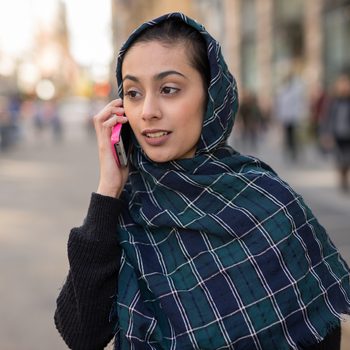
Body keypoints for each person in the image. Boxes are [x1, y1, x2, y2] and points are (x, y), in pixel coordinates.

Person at [54, 13, 350, 350]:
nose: (147, 111)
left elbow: (321, 332)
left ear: (211, 95)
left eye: (169, 89)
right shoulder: (126, 210)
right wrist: (108, 188)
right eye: (133, 93)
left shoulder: (268, 201)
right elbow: (82, 333)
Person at [322, 72, 350, 192]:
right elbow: (328, 118)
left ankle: (345, 177)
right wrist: (327, 134)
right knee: (339, 159)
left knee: (347, 159)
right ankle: (342, 181)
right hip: (337, 134)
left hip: (348, 134)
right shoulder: (334, 101)